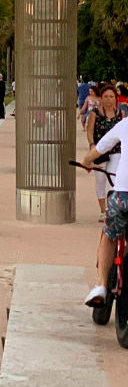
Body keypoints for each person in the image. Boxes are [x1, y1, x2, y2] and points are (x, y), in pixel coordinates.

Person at [83, 115, 128, 308]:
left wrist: (86, 161)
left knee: (109, 236)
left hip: (122, 196)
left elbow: (99, 149)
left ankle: (101, 285)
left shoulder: (125, 124)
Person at [87, 83, 124, 221]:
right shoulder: (95, 113)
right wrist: (92, 145)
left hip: (116, 151)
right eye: (106, 96)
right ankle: (102, 210)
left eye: (111, 96)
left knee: (114, 179)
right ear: (101, 98)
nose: (109, 99)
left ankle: (111, 208)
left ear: (116, 98)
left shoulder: (121, 114)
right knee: (101, 179)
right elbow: (90, 132)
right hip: (100, 151)